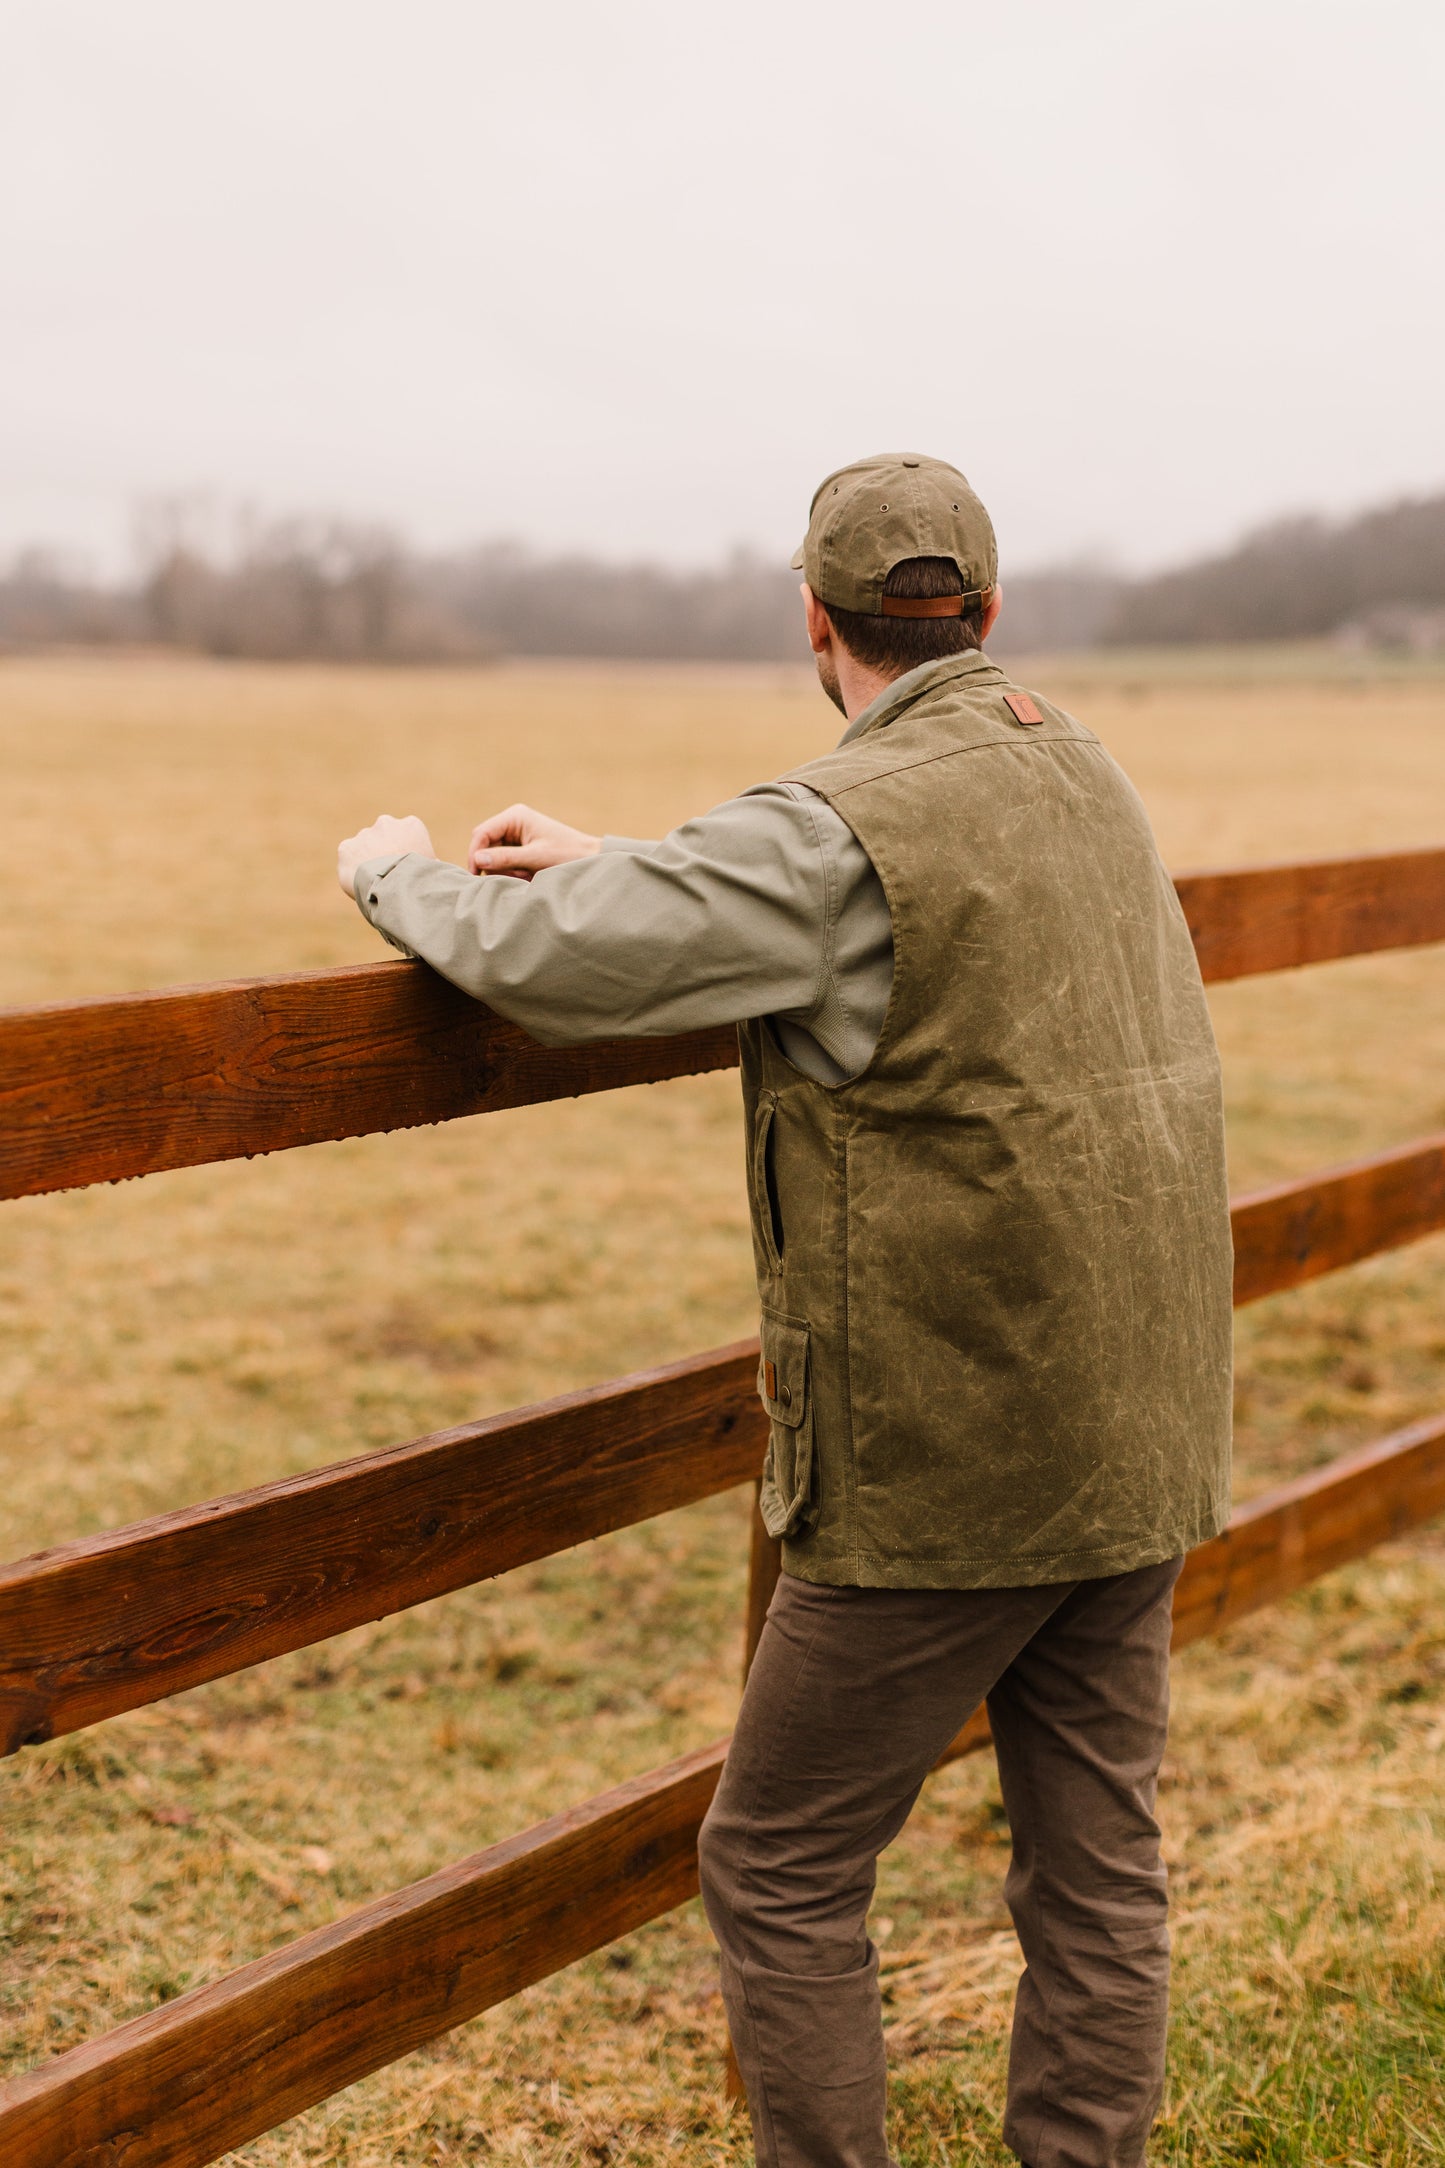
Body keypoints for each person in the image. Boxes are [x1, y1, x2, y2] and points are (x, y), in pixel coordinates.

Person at [336, 453, 1233, 2168]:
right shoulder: (1073, 764)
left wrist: (400, 878)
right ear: (985, 611)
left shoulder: (846, 827)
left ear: (810, 620)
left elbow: (564, 963)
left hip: (952, 1468)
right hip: (1139, 1426)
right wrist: (633, 862)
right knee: (1098, 1864)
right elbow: (849, 900)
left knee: (779, 1864)